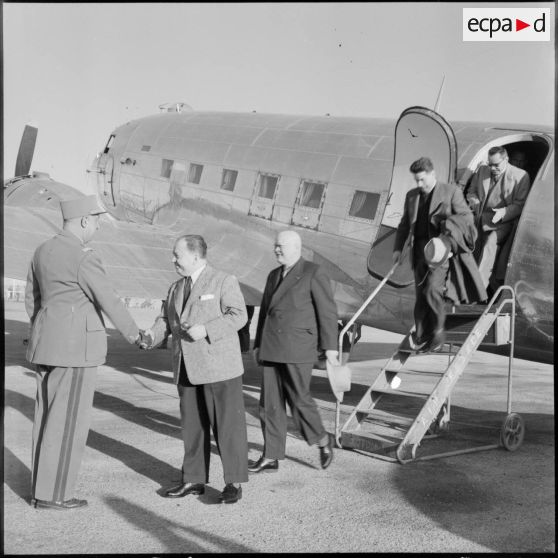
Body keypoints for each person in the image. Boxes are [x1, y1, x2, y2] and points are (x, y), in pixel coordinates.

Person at [25, 195, 145, 510]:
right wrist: (135, 334)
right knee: (67, 426)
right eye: (95, 221)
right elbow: (109, 300)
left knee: (46, 420)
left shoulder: (42, 251)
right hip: (76, 351)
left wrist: (45, 332)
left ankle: (41, 489)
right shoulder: (83, 256)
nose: (96, 226)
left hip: (45, 347)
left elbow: (32, 300)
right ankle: (55, 495)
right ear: (83, 221)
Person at [143, 235, 248, 504]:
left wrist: (207, 330)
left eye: (177, 255)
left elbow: (238, 315)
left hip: (219, 367)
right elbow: (165, 320)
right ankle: (193, 479)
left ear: (196, 256)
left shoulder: (224, 280)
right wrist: (149, 337)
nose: (173, 259)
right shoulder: (175, 287)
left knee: (227, 427)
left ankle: (233, 483)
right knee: (192, 427)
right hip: (186, 366)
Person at [249, 230, 339, 474]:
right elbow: (266, 311)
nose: (276, 250)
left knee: (300, 400)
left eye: (281, 246)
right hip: (271, 348)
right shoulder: (273, 275)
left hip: (298, 348)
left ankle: (322, 440)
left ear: (297, 248)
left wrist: (331, 347)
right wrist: (258, 344)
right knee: (269, 406)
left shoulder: (313, 272)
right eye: (275, 246)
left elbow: (328, 313)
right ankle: (271, 455)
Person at [392, 157, 485, 353]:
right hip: (418, 252)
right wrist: (398, 249)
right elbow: (404, 224)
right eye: (416, 180)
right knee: (420, 295)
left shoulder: (451, 192)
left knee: (432, 290)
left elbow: (467, 218)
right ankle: (422, 334)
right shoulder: (412, 196)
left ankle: (438, 333)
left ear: (433, 174)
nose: (419, 184)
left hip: (440, 252)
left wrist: (450, 237)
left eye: (422, 180)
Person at [466, 146, 531, 292]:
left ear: (506, 160)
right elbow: (471, 192)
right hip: (481, 218)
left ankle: (478, 290)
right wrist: (474, 201)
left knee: (490, 244)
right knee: (471, 248)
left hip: (504, 221)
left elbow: (520, 204)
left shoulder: (521, 176)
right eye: (490, 164)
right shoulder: (483, 170)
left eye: (496, 165)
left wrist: (503, 212)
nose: (492, 168)